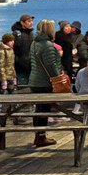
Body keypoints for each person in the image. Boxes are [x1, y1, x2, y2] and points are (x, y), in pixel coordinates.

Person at [29, 19, 62, 147]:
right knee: (44, 110)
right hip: (44, 82)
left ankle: (38, 135)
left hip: (34, 80)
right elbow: (51, 65)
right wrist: (58, 77)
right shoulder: (47, 45)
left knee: (39, 109)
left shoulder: (34, 43)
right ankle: (41, 137)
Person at [11, 13, 34, 88]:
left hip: (31, 66)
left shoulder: (31, 34)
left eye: (32, 21)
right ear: (22, 23)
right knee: (22, 87)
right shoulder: (17, 34)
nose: (31, 23)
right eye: (29, 21)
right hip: (20, 67)